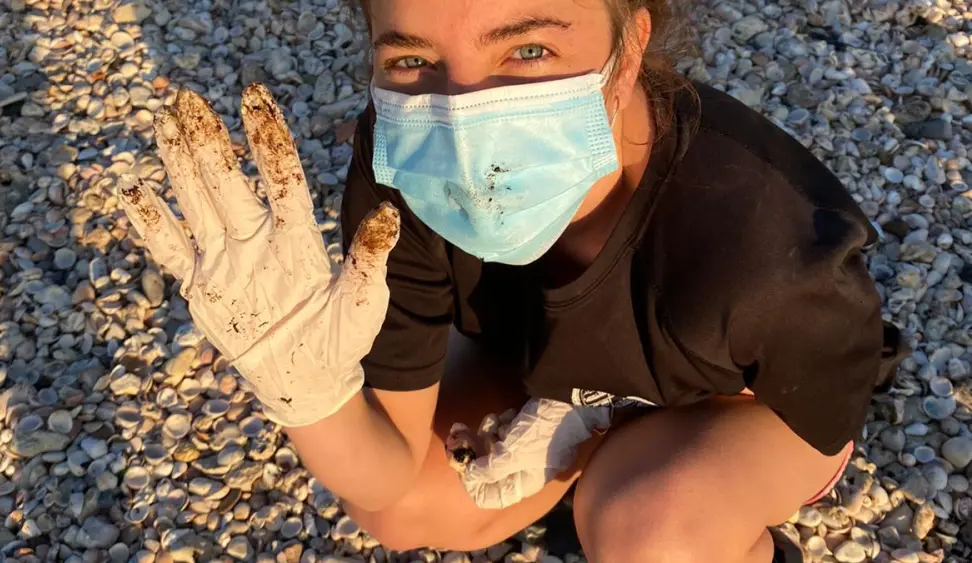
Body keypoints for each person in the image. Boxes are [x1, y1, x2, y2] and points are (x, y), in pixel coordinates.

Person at [118, 0, 909, 561]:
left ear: (628, 48)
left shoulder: (768, 247)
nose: (462, 116)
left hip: (738, 399)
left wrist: (666, 456)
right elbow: (388, 470)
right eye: (413, 59)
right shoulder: (402, 165)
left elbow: (818, 418)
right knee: (401, 507)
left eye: (526, 50)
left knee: (649, 532)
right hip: (546, 365)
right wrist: (304, 391)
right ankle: (601, 427)